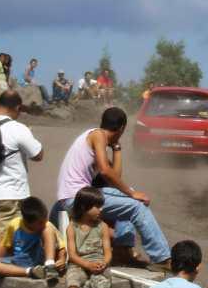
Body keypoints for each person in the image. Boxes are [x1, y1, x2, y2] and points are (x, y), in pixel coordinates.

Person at [50, 107, 171, 270]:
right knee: (137, 206)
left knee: (130, 197)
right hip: (76, 198)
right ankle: (162, 258)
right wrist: (131, 193)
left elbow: (115, 176)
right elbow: (106, 171)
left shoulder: (94, 137)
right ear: (122, 128)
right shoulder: (98, 135)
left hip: (78, 195)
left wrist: (117, 148)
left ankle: (122, 251)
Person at [0, 90, 43, 277]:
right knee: (1, 237)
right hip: (8, 193)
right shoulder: (17, 128)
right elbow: (38, 154)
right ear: (17, 107)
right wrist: (30, 135)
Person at [64, 187, 113, 288]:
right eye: (97, 207)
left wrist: (103, 263)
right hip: (79, 264)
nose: (101, 210)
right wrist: (86, 265)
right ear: (84, 207)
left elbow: (107, 252)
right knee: (72, 286)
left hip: (98, 265)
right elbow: (72, 255)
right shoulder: (72, 227)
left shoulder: (102, 227)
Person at [0, 196, 66, 281]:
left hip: (41, 259)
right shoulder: (14, 225)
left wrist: (61, 259)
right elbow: (8, 248)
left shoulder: (46, 226)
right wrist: (5, 264)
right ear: (27, 221)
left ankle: (49, 266)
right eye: (40, 222)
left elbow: (61, 247)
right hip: (21, 262)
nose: (44, 223)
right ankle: (32, 272)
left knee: (48, 228)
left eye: (45, 219)